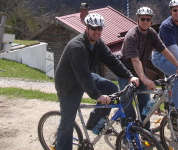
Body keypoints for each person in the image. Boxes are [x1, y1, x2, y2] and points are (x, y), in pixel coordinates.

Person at [55, 13, 139, 150]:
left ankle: (94, 123)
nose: (97, 31)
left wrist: (129, 76)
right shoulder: (77, 47)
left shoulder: (98, 43)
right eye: (94, 28)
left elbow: (112, 61)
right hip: (68, 84)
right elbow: (82, 75)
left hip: (85, 75)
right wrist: (97, 96)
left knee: (111, 88)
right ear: (87, 28)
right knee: (67, 122)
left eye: (100, 28)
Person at [118, 6, 178, 128]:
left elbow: (164, 50)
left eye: (148, 19)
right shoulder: (131, 36)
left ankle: (145, 131)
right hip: (126, 71)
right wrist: (144, 79)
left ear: (151, 21)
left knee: (145, 103)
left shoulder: (151, 33)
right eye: (142, 19)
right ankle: (127, 134)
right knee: (126, 103)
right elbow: (135, 60)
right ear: (137, 20)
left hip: (140, 70)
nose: (145, 21)